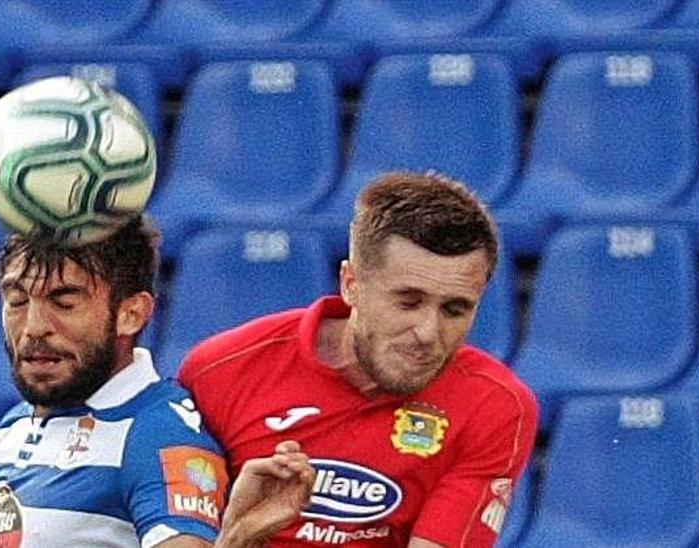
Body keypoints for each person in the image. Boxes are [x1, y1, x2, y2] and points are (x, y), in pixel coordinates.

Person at [179, 172, 540, 547]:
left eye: (455, 309)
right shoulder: (220, 371)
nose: (428, 332)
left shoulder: (494, 405)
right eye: (408, 302)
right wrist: (240, 537)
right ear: (351, 284)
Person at [0, 217, 316, 548]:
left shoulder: (159, 432)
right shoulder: (14, 424)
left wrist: (238, 538)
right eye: (17, 300)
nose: (33, 326)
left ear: (131, 314)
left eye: (64, 302)